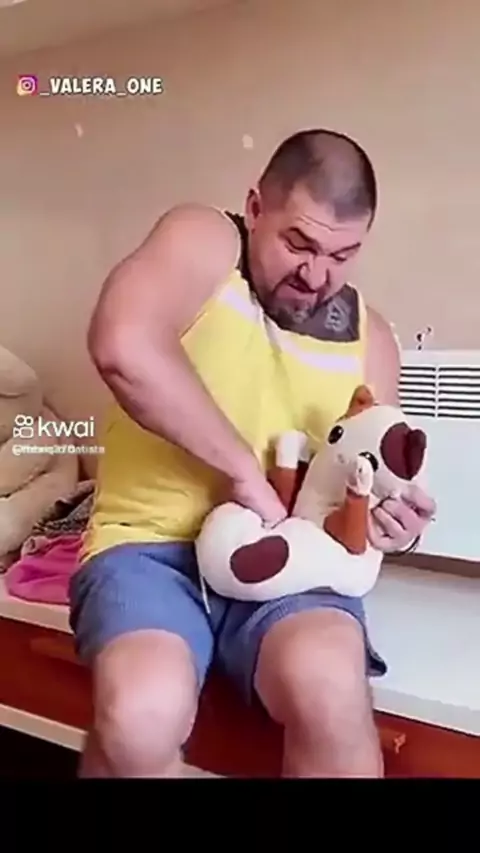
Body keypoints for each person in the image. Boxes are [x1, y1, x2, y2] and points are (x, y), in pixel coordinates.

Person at [70, 129, 436, 778]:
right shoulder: (204, 241)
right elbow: (123, 345)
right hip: (150, 549)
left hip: (290, 564)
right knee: (139, 717)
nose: (317, 275)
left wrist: (394, 527)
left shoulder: (373, 341)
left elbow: (372, 488)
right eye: (299, 244)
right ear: (256, 208)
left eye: (342, 254)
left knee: (332, 695)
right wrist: (243, 472)